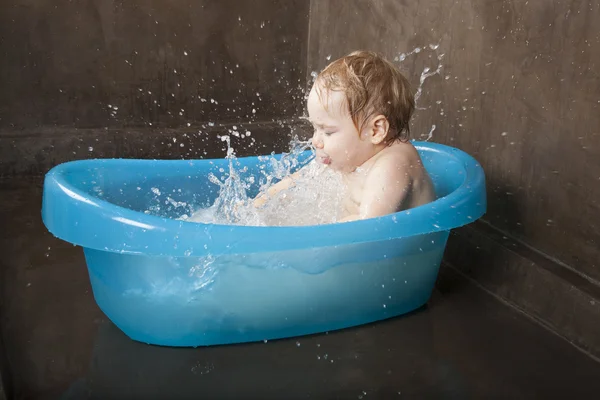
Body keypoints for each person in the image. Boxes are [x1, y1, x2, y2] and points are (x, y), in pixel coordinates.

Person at [254, 50, 435, 223]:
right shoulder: (348, 158)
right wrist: (256, 205)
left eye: (328, 132)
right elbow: (295, 184)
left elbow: (370, 226)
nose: (315, 141)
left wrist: (308, 236)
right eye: (315, 129)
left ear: (375, 130)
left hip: (403, 252)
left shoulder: (393, 163)